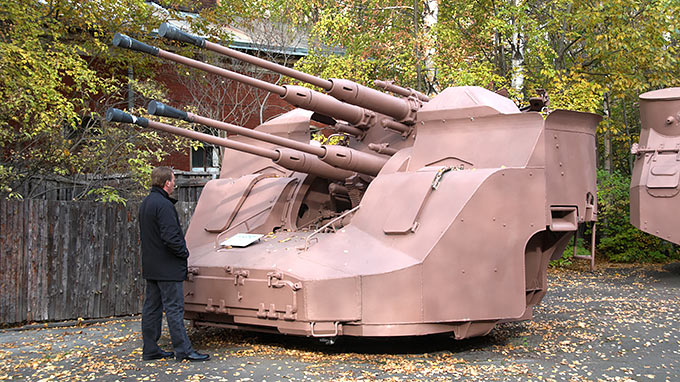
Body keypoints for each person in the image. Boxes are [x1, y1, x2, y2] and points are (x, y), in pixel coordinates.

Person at [138, 167, 209, 362]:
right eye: (173, 180)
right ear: (167, 183)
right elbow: (170, 236)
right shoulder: (163, 205)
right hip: (168, 267)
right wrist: (183, 253)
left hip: (152, 266)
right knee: (174, 309)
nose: (175, 183)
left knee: (151, 309)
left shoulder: (146, 203)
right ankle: (183, 350)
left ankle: (150, 349)